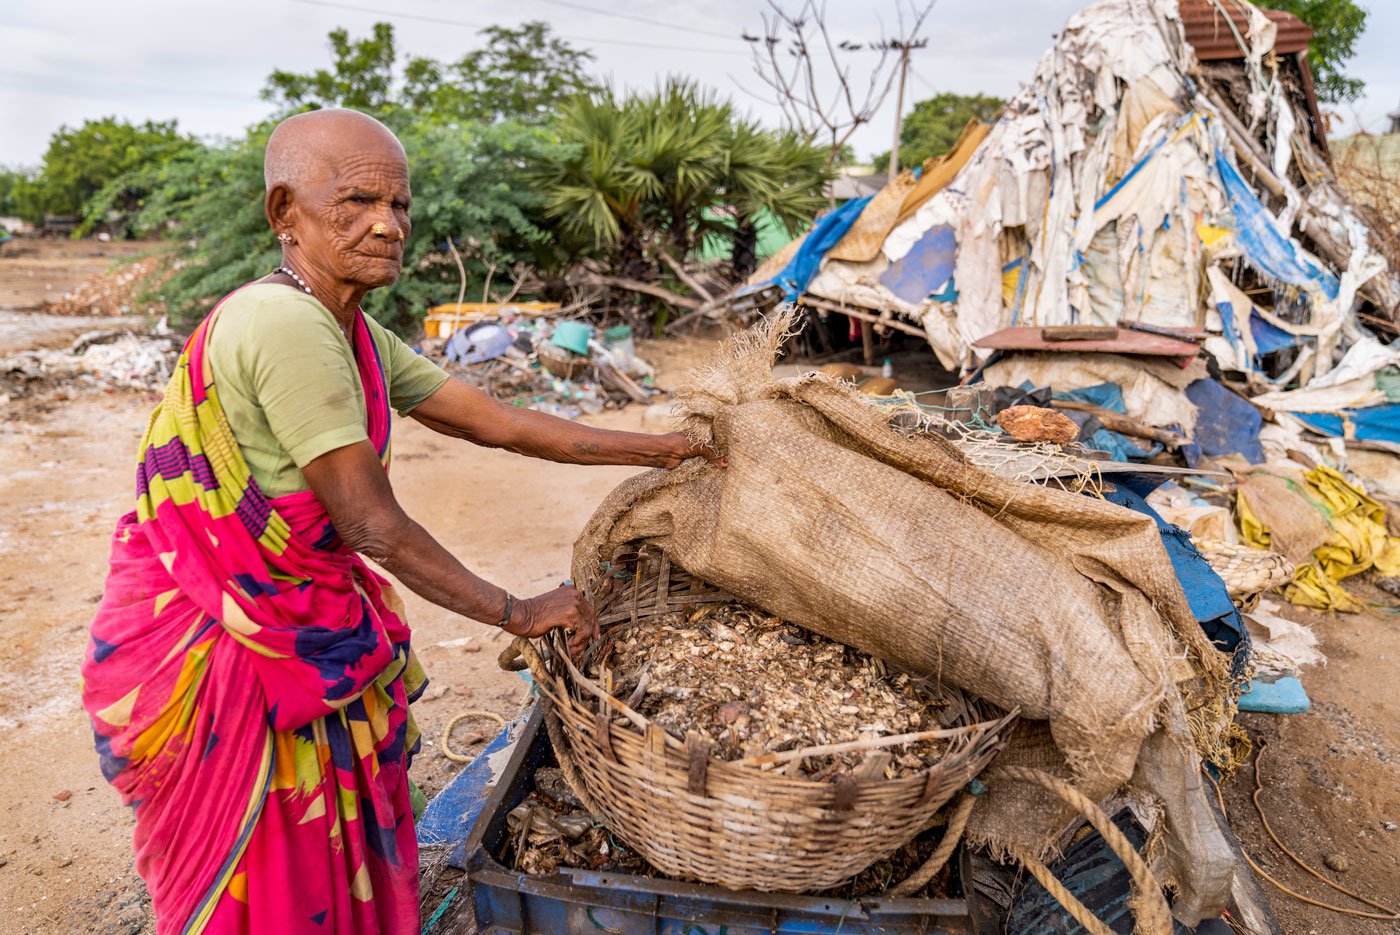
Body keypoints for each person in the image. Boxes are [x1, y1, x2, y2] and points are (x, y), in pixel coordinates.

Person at [80, 108, 717, 934]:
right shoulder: (285, 323)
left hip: (299, 625)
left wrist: (667, 449)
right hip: (236, 652)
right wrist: (520, 612)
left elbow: (498, 421)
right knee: (262, 878)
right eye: (355, 201)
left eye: (401, 205)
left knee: (314, 858)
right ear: (285, 213)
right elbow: (372, 524)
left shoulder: (351, 327)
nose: (388, 224)